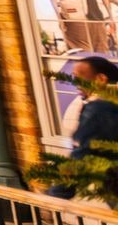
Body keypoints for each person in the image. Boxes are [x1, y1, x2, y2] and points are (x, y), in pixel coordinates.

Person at [49, 56, 118, 197]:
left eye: (79, 78)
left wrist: (58, 193)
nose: (76, 84)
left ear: (101, 79)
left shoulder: (100, 108)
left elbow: (83, 155)